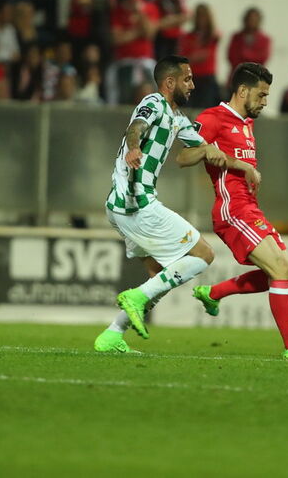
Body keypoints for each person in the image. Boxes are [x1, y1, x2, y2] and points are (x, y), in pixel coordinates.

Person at [179, 61, 288, 361]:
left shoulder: (246, 122)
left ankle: (214, 293)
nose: (265, 101)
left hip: (250, 209)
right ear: (242, 90)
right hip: (233, 211)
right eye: (261, 95)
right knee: (282, 271)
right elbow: (183, 156)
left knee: (286, 273)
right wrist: (207, 150)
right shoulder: (212, 118)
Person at [93, 55, 227, 353]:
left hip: (121, 207)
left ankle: (112, 334)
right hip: (136, 203)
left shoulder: (178, 118)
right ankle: (135, 299)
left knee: (158, 275)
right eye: (187, 79)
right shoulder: (153, 102)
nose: (192, 85)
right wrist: (134, 148)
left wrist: (230, 160)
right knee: (203, 255)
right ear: (170, 82)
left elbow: (199, 148)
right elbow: (136, 127)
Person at [106, 0, 159, 105]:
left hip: (146, 62)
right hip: (125, 62)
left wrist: (141, 14)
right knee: (124, 98)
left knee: (151, 101)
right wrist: (137, 32)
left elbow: (150, 33)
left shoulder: (150, 9)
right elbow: (116, 39)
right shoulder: (118, 11)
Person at [179, 2, 221, 109]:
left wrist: (193, 57)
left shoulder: (212, 36)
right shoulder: (188, 37)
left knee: (205, 108)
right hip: (191, 76)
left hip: (207, 78)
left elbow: (205, 55)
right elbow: (184, 57)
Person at [226, 7, 271, 86]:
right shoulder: (236, 37)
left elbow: (262, 58)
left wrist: (244, 54)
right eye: (249, 19)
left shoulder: (264, 39)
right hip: (236, 79)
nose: (251, 22)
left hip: (256, 81)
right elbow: (231, 57)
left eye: (254, 20)